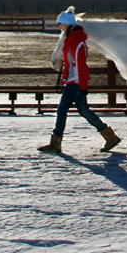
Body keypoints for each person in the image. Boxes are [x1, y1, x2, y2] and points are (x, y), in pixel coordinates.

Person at [38, 10, 121, 154]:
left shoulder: (76, 41)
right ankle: (110, 137)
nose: (60, 27)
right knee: (84, 111)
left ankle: (56, 142)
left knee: (62, 110)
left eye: (61, 24)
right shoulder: (72, 39)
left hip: (75, 82)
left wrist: (80, 85)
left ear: (68, 24)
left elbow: (79, 65)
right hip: (74, 81)